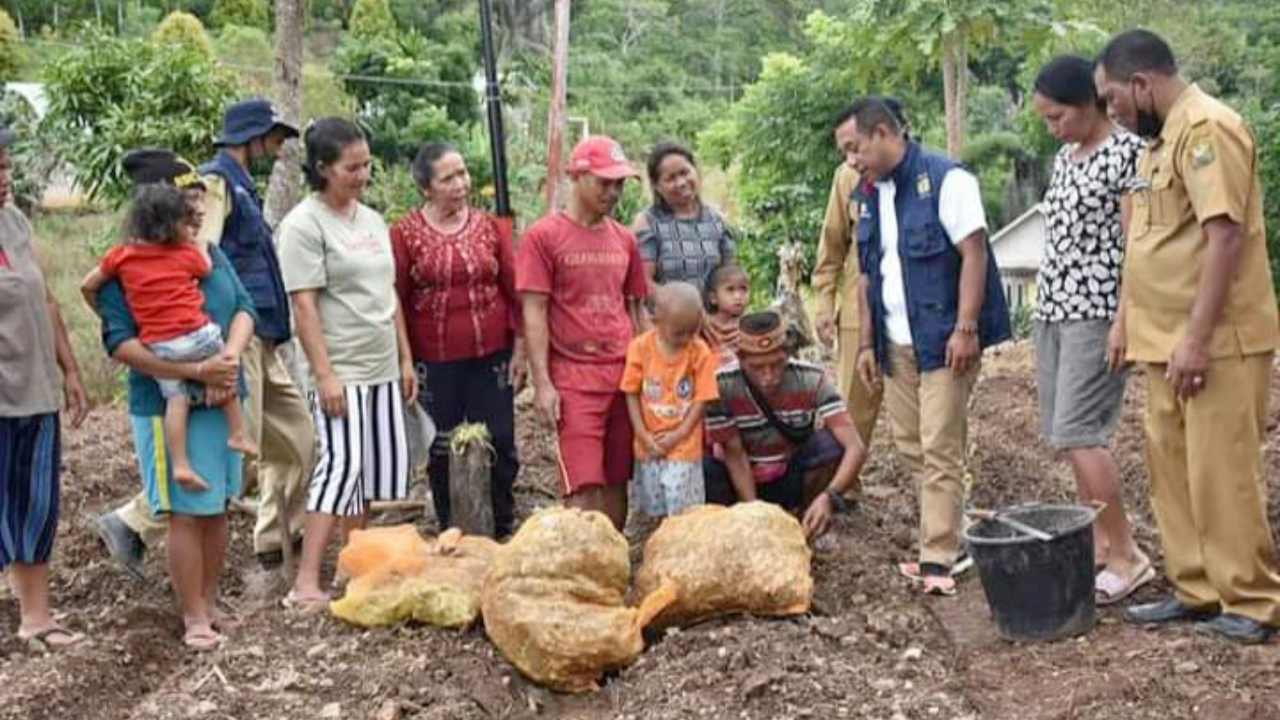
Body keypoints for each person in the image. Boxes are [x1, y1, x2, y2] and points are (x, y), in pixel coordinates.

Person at [1095, 30, 1280, 644]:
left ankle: (1251, 599)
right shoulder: (1159, 142)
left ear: (1141, 83)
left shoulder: (1207, 129)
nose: (1113, 113)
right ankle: (1197, 587)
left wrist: (1197, 340)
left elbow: (1224, 237)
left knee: (1221, 471)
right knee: (1172, 470)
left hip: (1215, 340)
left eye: (1114, 99)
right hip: (1163, 341)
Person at [96, 100, 313, 575]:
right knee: (238, 445)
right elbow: (193, 258)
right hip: (219, 340)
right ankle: (134, 521)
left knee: (300, 440)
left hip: (256, 332)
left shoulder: (243, 186)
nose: (279, 147)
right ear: (253, 136)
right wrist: (208, 352)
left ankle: (274, 538)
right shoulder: (214, 185)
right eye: (275, 137)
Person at [844, 96, 1011, 596]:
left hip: (943, 340)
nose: (851, 161)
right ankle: (957, 533)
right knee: (911, 444)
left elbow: (974, 253)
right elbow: (867, 276)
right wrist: (867, 344)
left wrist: (966, 328)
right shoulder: (866, 195)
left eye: (855, 148)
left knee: (940, 445)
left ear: (882, 133)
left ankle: (938, 557)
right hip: (895, 342)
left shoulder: (947, 179)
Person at [94, 164, 258, 650]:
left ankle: (210, 601)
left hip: (222, 391)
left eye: (199, 204)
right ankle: (193, 615)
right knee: (184, 513)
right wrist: (195, 371)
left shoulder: (208, 252)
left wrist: (229, 357)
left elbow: (244, 306)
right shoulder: (126, 268)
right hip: (166, 403)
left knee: (218, 507)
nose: (198, 215)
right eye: (188, 209)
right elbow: (121, 343)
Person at [278, 118, 418, 608]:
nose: (362, 175)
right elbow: (304, 306)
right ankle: (305, 582)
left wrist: (405, 357)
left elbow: (388, 293)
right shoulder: (304, 225)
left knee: (369, 471)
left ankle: (350, 565)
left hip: (381, 364)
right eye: (351, 168)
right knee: (340, 465)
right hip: (341, 367)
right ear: (323, 169)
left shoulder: (372, 220)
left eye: (366, 165)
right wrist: (324, 375)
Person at [1030, 55, 1152, 605]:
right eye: (1046, 119)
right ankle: (1100, 545)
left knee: (1082, 432)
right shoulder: (1065, 157)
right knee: (1065, 434)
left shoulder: (1127, 153)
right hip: (1055, 310)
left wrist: (1125, 319)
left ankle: (1128, 554)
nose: (1052, 128)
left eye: (1057, 116)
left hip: (1097, 311)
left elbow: (1136, 246)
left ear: (1088, 103)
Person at [82, 184, 258, 491]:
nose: (197, 216)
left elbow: (87, 284)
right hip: (197, 337)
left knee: (177, 400)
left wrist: (99, 307)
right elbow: (206, 269)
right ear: (171, 225)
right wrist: (211, 368)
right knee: (222, 369)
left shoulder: (121, 257)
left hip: (160, 345)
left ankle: (180, 465)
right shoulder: (186, 253)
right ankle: (238, 432)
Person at [390, 141, 524, 539]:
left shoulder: (490, 227)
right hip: (435, 360)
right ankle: (451, 524)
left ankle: (501, 522)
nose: (460, 184)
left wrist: (521, 350)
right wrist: (405, 359)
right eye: (447, 178)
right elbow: (395, 298)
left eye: (462, 174)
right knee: (442, 444)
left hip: (492, 354)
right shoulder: (403, 234)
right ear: (426, 188)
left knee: (500, 439)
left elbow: (514, 290)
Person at [517, 135, 650, 531]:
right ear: (576, 177)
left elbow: (635, 308)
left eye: (619, 184)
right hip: (574, 378)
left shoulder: (624, 239)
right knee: (582, 486)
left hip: (623, 375)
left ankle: (613, 560)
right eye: (604, 183)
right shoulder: (544, 237)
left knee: (617, 479)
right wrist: (542, 384)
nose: (613, 193)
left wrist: (650, 369)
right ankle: (584, 561)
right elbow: (534, 310)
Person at [0, 123, 90, 649]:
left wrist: (70, 370)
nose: (4, 177)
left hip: (34, 392)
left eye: (5, 165)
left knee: (35, 506)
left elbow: (47, 300)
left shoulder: (14, 222)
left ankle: (36, 619)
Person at [703, 311, 867, 540]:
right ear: (740, 360)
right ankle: (733, 530)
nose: (768, 376)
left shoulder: (812, 379)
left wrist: (830, 496)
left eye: (777, 364)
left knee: (831, 445)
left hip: (788, 477)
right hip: (741, 480)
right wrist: (756, 514)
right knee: (705, 470)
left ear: (788, 354)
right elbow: (735, 454)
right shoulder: (721, 386)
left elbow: (855, 447)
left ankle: (803, 519)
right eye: (757, 368)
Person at [811, 99, 907, 450]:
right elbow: (832, 246)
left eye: (857, 146)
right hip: (856, 311)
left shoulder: (925, 178)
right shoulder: (847, 178)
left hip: (910, 316)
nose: (854, 158)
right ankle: (844, 480)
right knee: (850, 415)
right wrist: (824, 302)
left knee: (920, 420)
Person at [620, 282, 719, 518]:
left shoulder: (699, 352)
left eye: (692, 331)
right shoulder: (640, 348)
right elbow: (631, 392)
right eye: (678, 333)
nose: (686, 338)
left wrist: (680, 433)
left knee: (682, 507)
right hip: (648, 443)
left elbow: (702, 398)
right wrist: (642, 434)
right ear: (656, 321)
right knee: (652, 506)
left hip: (683, 444)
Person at [632, 142, 735, 291]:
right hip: (667, 306)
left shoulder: (716, 220)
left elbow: (730, 276)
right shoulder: (648, 222)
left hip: (712, 306)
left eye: (684, 173)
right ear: (656, 186)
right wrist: (679, 302)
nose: (681, 183)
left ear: (695, 170)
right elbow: (643, 283)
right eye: (670, 178)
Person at [701, 261, 751, 363]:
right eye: (730, 290)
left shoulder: (750, 322)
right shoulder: (705, 326)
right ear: (713, 298)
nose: (738, 296)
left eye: (743, 289)